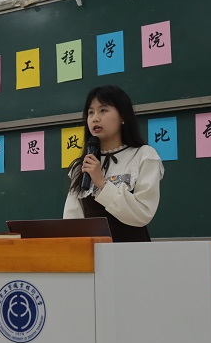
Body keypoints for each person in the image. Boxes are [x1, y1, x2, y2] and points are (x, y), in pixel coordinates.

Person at [63, 85, 164, 242]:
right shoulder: (81, 166)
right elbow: (72, 221)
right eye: (91, 112)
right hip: (93, 254)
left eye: (103, 110)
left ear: (123, 116)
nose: (95, 118)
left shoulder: (143, 156)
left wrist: (102, 183)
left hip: (133, 252)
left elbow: (143, 213)